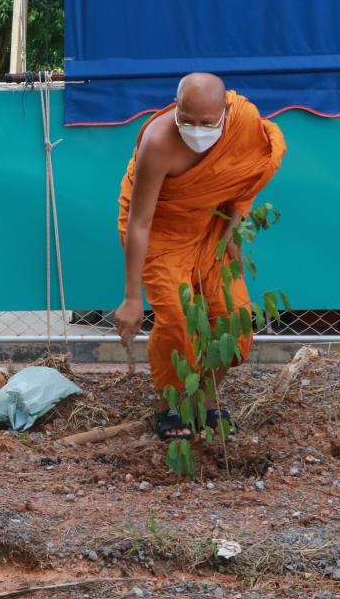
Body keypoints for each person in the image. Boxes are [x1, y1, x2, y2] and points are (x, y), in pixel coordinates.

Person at [114, 73, 286, 440]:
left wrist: (233, 228)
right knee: (178, 319)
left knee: (234, 320)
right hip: (160, 234)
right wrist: (131, 297)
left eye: (206, 123)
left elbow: (250, 175)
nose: (195, 130)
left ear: (224, 111)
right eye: (186, 119)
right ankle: (174, 405)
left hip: (211, 228)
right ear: (175, 108)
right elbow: (139, 222)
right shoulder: (159, 142)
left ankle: (205, 400)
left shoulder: (243, 123)